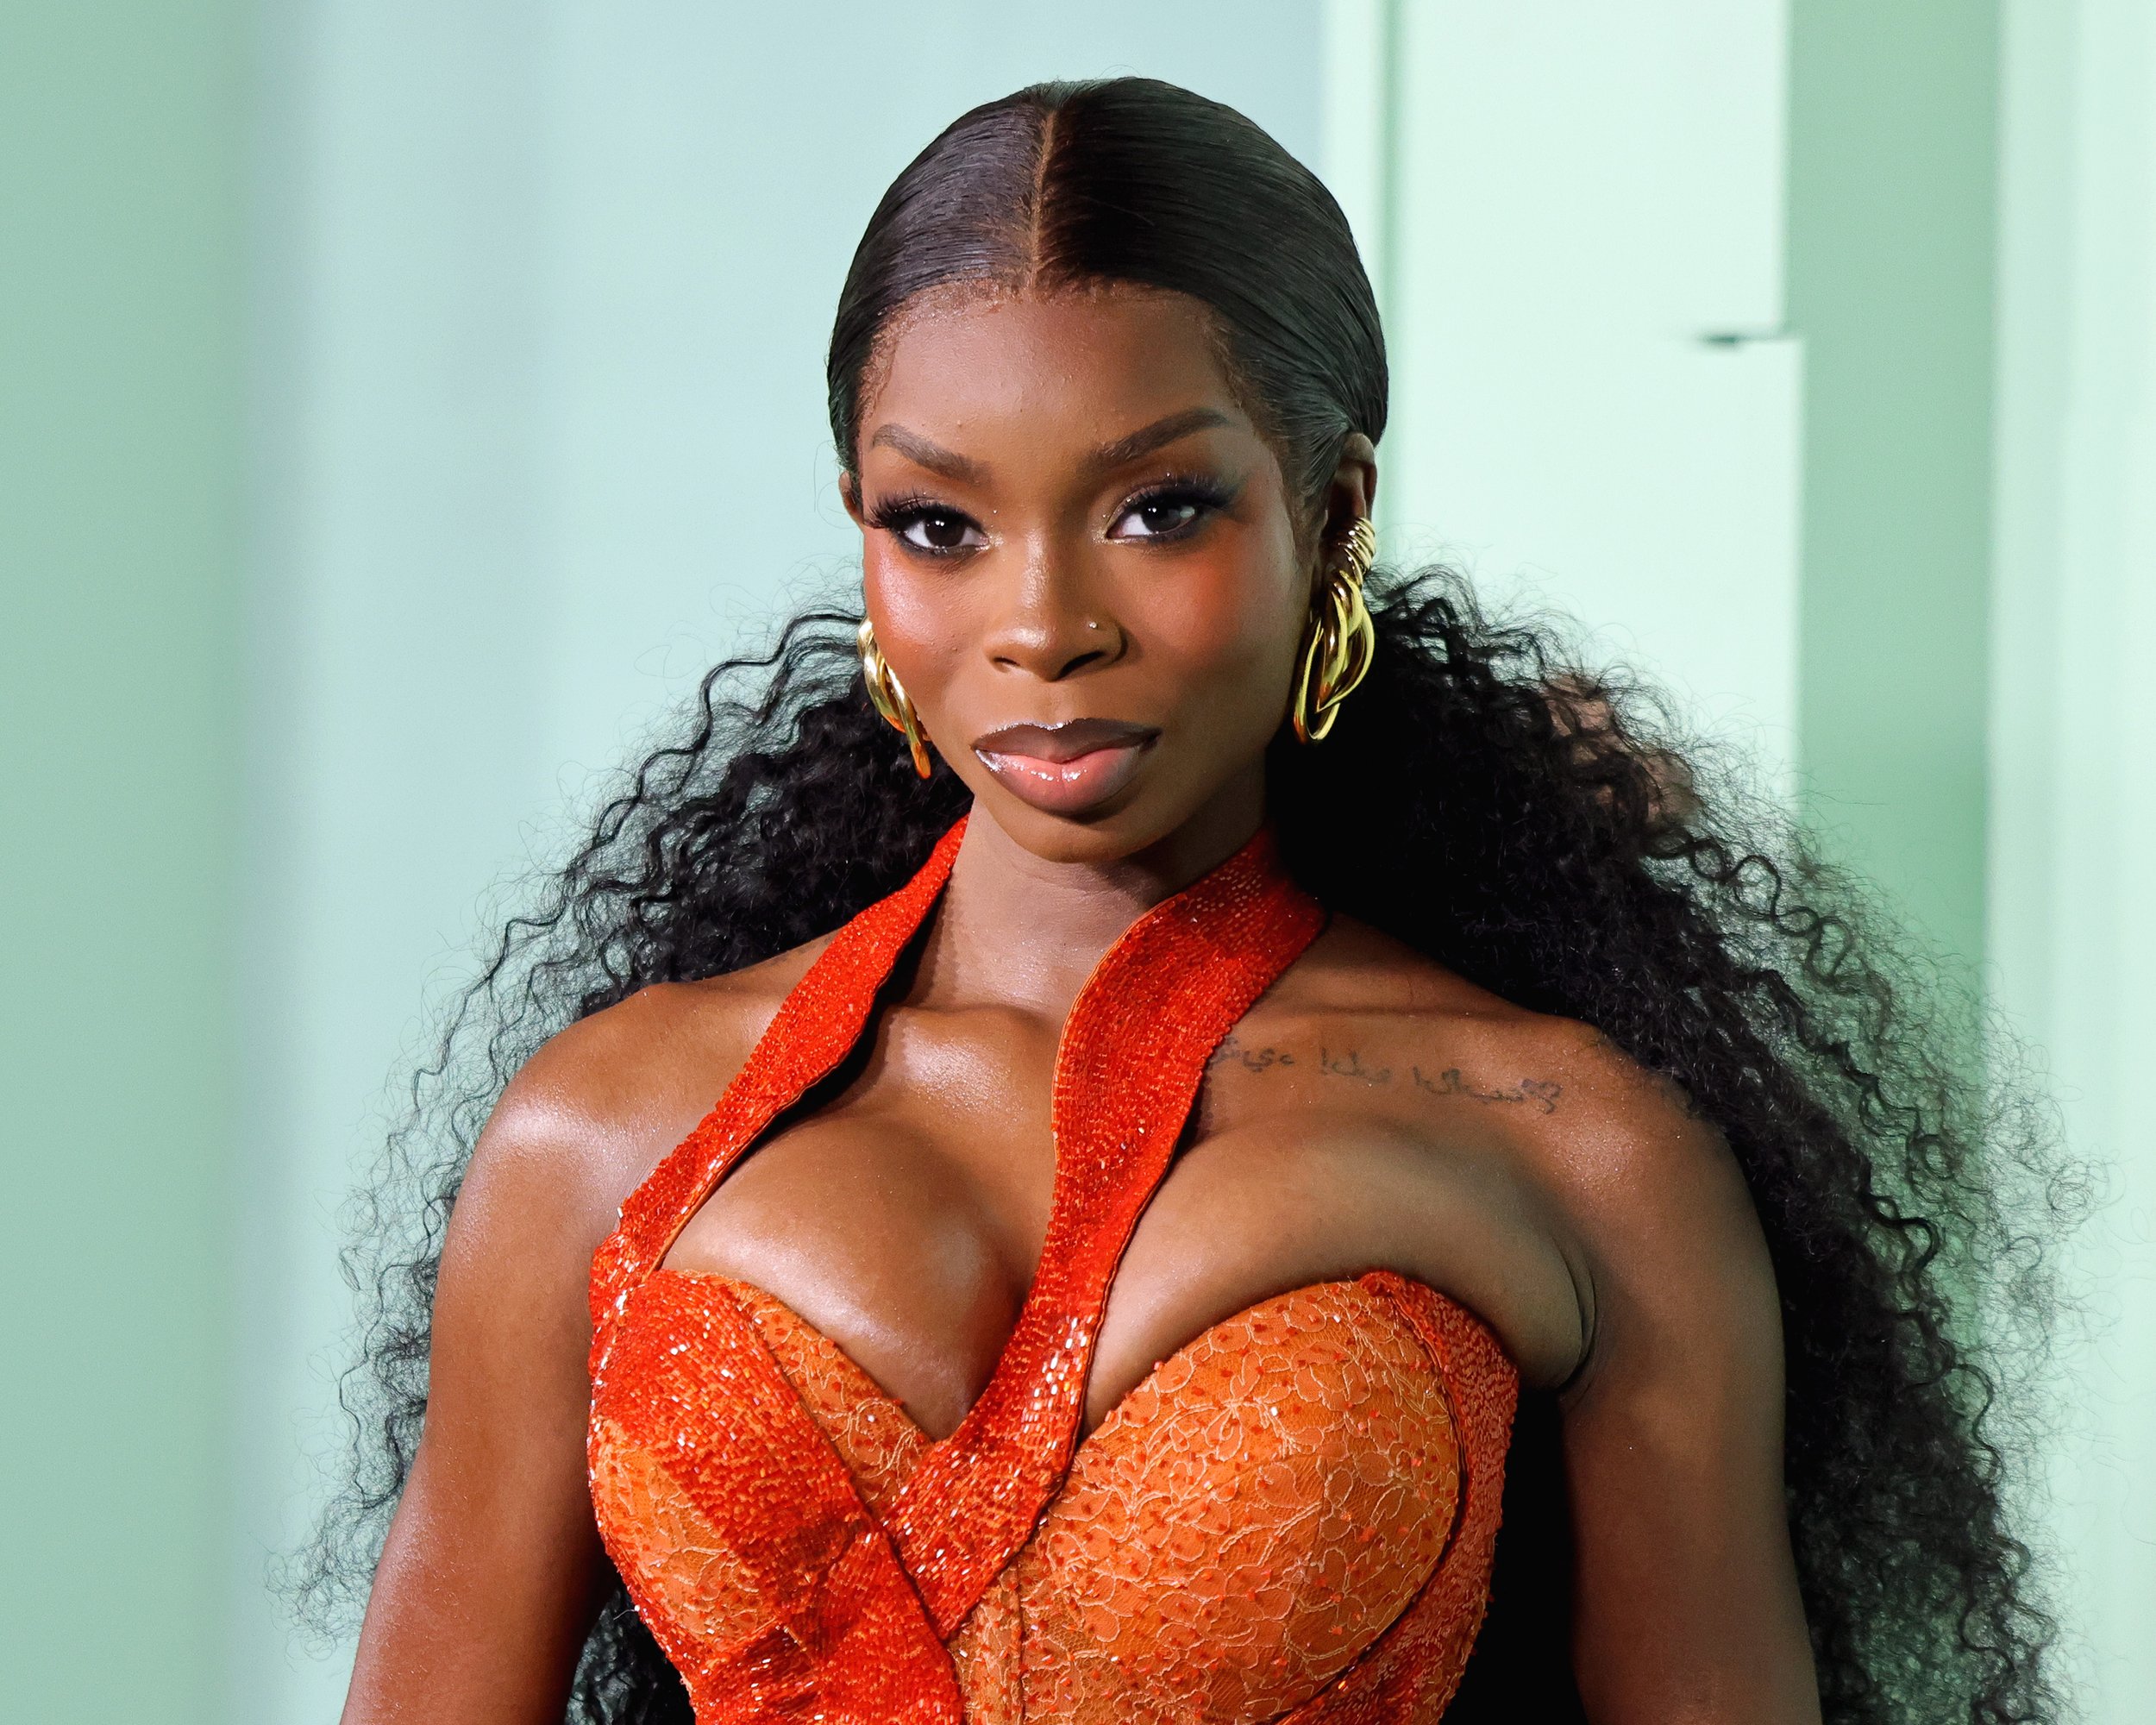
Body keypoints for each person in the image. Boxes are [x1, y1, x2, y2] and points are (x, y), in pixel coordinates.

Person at [318, 78, 2065, 1724]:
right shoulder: (602, 1130)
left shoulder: (1578, 1153)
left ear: (1330, 514)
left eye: (1157, 510)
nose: (1042, 624)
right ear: (861, 531)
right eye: (939, 525)